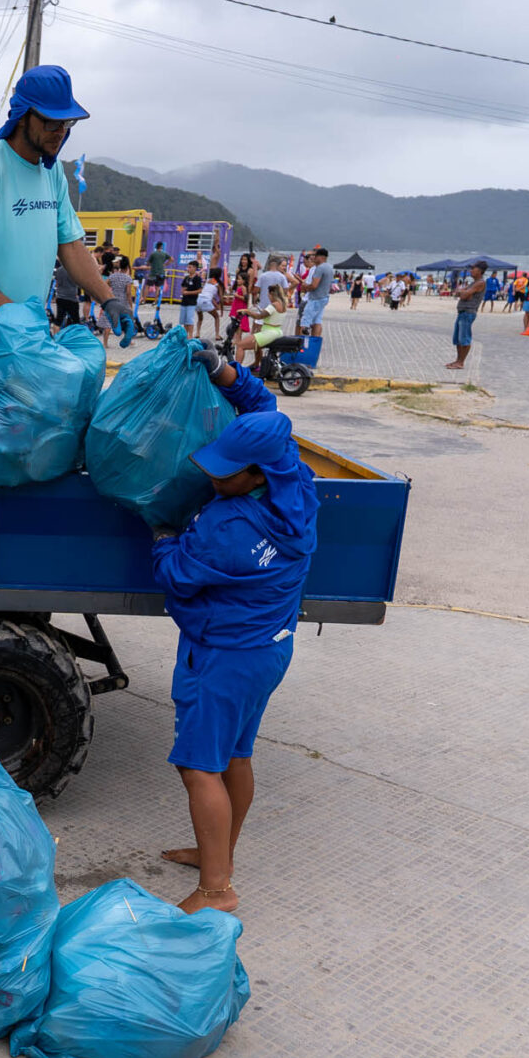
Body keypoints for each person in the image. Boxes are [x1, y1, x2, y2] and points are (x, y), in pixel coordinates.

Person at [151, 346, 318, 914]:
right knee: (236, 756)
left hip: (224, 655)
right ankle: (216, 854)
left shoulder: (228, 528)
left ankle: (216, 889)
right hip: (267, 649)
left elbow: (177, 576)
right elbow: (264, 408)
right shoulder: (293, 480)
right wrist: (222, 368)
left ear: (254, 475)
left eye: (225, 473)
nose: (213, 476)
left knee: (198, 766)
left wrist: (162, 537)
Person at [0, 66, 124, 410]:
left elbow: (70, 245)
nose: (60, 132)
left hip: (20, 337)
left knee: (18, 431)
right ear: (23, 117)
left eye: (67, 123)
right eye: (51, 122)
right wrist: (13, 314)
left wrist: (108, 299)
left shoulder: (52, 174)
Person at [447, 263, 486, 370]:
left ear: (480, 271)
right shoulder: (473, 283)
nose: (471, 270)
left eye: (474, 269)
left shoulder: (480, 283)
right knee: (458, 338)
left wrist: (463, 293)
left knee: (464, 338)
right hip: (462, 312)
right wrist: (464, 293)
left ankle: (461, 362)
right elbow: (458, 293)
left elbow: (464, 295)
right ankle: (458, 360)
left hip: (468, 312)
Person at [296, 246, 334, 343]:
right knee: (317, 321)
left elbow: (314, 285)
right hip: (324, 297)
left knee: (305, 321)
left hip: (315, 298)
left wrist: (305, 286)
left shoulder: (319, 268)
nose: (313, 258)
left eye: (315, 256)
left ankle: (303, 344)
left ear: (321, 257)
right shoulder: (329, 267)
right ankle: (314, 343)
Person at [177, 261, 203, 333]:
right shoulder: (186, 278)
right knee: (184, 320)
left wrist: (188, 292)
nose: (188, 269)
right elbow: (183, 288)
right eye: (188, 267)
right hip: (184, 302)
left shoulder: (197, 278)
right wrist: (183, 291)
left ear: (195, 268)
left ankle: (190, 335)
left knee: (189, 320)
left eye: (190, 267)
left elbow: (200, 290)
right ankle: (185, 334)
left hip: (191, 302)